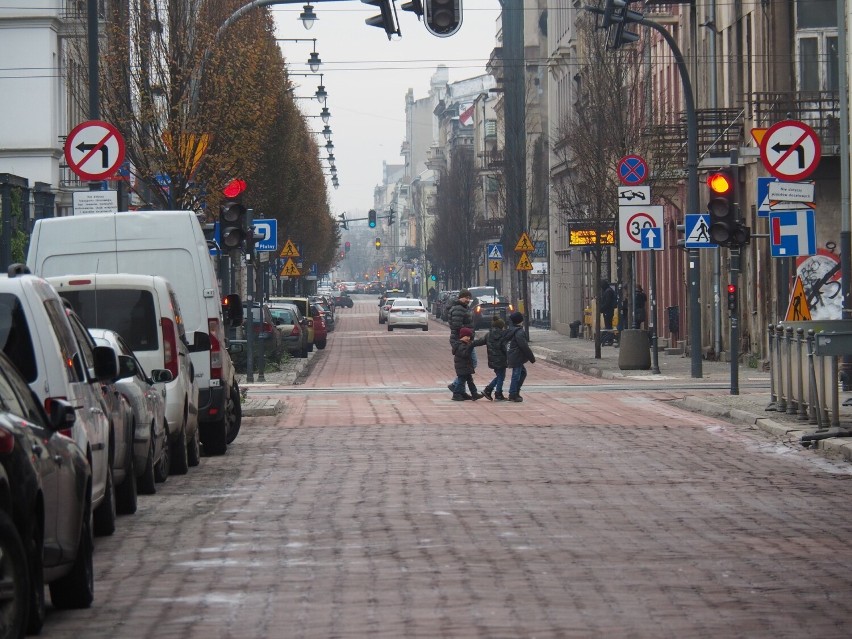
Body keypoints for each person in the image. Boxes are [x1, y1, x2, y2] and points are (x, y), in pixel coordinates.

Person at [447, 289, 475, 397]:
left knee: (466, 365)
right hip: (462, 340)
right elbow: (457, 326)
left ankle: (460, 391)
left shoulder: (463, 308)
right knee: (471, 363)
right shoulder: (459, 308)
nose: (468, 300)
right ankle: (456, 386)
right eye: (466, 297)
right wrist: (465, 336)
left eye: (469, 298)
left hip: (465, 339)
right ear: (460, 297)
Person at [505, 311, 535, 402]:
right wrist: (531, 357)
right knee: (516, 375)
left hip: (512, 355)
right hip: (516, 356)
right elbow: (524, 346)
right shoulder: (519, 332)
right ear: (520, 320)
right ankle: (513, 393)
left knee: (522, 373)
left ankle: (515, 391)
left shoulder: (512, 329)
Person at [451, 327, 486, 401]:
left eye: (469, 337)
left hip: (466, 367)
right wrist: (470, 347)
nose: (468, 338)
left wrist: (481, 341)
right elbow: (464, 354)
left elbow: (474, 344)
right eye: (467, 336)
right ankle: (456, 394)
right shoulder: (460, 345)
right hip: (462, 367)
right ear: (462, 336)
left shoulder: (464, 344)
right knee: (461, 381)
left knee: (470, 381)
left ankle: (474, 393)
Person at [483, 316, 508, 401]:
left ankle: (494, 391)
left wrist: (471, 344)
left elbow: (480, 341)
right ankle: (493, 391)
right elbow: (504, 348)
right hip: (501, 359)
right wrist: (508, 356)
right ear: (501, 326)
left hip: (492, 360)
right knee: (501, 376)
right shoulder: (502, 335)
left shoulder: (488, 334)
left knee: (500, 376)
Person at [599, 280, 616, 346]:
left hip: (608, 311)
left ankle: (610, 339)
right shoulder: (608, 290)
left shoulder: (608, 291)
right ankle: (609, 339)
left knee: (608, 325)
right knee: (608, 326)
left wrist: (602, 308)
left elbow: (607, 302)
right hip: (608, 310)